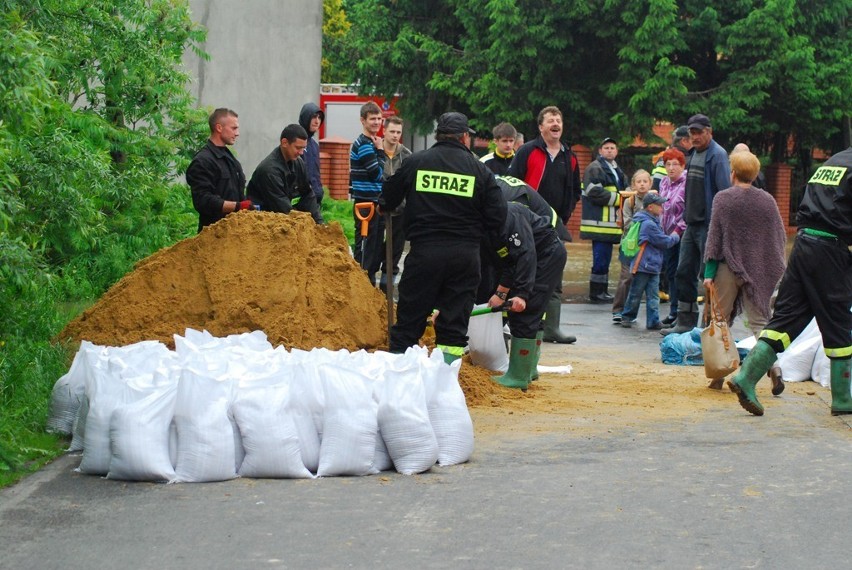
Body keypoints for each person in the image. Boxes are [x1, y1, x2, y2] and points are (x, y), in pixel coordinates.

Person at [729, 146, 852, 417]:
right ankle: (844, 400)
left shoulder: (834, 161)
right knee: (839, 322)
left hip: (804, 244)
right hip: (830, 250)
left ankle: (746, 377)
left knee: (787, 319)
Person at [380, 112, 507, 362]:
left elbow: (388, 198)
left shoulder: (416, 162)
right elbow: (498, 218)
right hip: (465, 257)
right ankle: (447, 380)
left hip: (424, 254)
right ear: (464, 137)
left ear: (438, 135)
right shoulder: (480, 171)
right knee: (454, 326)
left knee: (409, 320)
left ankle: (398, 377)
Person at [700, 150, 786, 390]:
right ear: (756, 174)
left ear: (733, 173)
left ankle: (718, 375)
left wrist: (709, 273)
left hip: (727, 268)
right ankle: (775, 369)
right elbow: (777, 237)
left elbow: (714, 238)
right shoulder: (767, 200)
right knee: (760, 323)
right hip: (758, 271)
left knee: (721, 320)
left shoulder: (723, 199)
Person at [507, 106, 581, 344]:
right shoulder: (528, 151)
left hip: (555, 224)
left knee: (553, 277)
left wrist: (565, 217)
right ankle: (518, 326)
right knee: (522, 272)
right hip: (525, 223)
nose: (555, 123)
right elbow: (513, 184)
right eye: (550, 120)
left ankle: (552, 328)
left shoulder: (569, 156)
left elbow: (574, 191)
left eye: (558, 120)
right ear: (541, 127)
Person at [482, 202, 566, 391]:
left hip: (546, 254)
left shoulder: (510, 215)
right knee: (527, 311)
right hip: (530, 257)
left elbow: (525, 255)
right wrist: (500, 293)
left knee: (525, 311)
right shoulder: (484, 223)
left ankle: (518, 376)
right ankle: (529, 369)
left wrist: (520, 294)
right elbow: (507, 262)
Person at [662, 113, 731, 335]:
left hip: (708, 225)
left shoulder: (717, 156)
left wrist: (719, 227)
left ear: (709, 132)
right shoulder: (692, 155)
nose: (695, 136)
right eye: (692, 132)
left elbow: (723, 193)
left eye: (699, 132)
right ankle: (685, 321)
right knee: (683, 272)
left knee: (708, 276)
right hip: (691, 224)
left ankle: (710, 324)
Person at [619, 193, 681, 329]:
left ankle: (649, 321)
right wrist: (676, 234)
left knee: (649, 295)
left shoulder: (647, 221)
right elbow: (665, 242)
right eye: (659, 205)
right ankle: (629, 317)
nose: (662, 208)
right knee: (639, 293)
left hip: (649, 265)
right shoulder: (649, 224)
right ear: (651, 207)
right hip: (645, 265)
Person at [186, 108, 249, 232]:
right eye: (234, 128)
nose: (237, 133)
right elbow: (202, 200)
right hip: (213, 236)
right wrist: (237, 206)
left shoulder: (230, 159)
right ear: (219, 128)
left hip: (235, 232)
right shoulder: (203, 161)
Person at [581, 137, 628, 303]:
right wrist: (620, 199)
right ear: (600, 151)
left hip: (609, 225)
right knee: (600, 260)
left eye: (612, 148)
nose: (609, 150)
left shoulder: (616, 169)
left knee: (605, 260)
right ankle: (596, 293)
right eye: (606, 147)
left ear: (616, 151)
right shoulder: (595, 168)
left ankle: (603, 291)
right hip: (599, 224)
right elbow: (594, 192)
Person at [246, 124, 321, 223]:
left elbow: (307, 194)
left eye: (303, 148)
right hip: (263, 224)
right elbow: (282, 207)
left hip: (283, 217)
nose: (301, 153)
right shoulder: (269, 170)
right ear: (284, 143)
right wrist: (304, 223)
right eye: (298, 148)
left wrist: (319, 223)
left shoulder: (298, 163)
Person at [350, 101, 386, 281]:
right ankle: (362, 283)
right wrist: (381, 151)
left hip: (375, 203)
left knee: (375, 250)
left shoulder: (372, 142)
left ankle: (369, 285)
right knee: (366, 251)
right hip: (366, 205)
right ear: (363, 120)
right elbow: (377, 174)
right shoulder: (364, 144)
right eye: (373, 119)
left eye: (379, 118)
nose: (377, 122)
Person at [612, 169, 652, 323]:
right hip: (628, 246)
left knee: (641, 279)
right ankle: (618, 310)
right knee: (626, 278)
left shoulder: (654, 201)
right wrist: (644, 224)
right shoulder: (630, 202)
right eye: (639, 182)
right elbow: (627, 223)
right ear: (633, 185)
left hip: (646, 246)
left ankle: (630, 312)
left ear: (650, 183)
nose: (642, 185)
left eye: (645, 181)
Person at [378, 115, 412, 292]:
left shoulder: (406, 155)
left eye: (398, 132)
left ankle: (387, 282)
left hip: (400, 210)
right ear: (384, 131)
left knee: (395, 248)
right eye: (392, 131)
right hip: (377, 209)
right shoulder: (375, 151)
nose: (395, 135)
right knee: (376, 246)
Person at [658, 148, 688, 326]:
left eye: (675, 164)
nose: (671, 168)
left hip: (682, 235)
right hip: (666, 235)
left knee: (680, 272)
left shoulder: (687, 183)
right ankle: (672, 310)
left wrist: (678, 231)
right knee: (669, 273)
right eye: (668, 164)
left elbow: (688, 210)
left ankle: (681, 313)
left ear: (682, 166)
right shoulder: (663, 182)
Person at [298, 102, 325, 223]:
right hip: (302, 202)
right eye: (314, 117)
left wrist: (319, 191)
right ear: (306, 117)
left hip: (316, 200)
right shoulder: (297, 142)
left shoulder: (314, 145)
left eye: (319, 117)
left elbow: (315, 173)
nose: (317, 121)